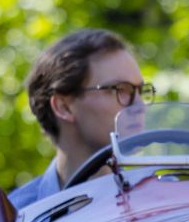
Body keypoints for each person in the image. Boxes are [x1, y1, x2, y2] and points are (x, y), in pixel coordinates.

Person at [12, 28, 155, 210]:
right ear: (64, 107)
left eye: (140, 91)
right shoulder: (14, 220)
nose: (140, 106)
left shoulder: (164, 200)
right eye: (120, 89)